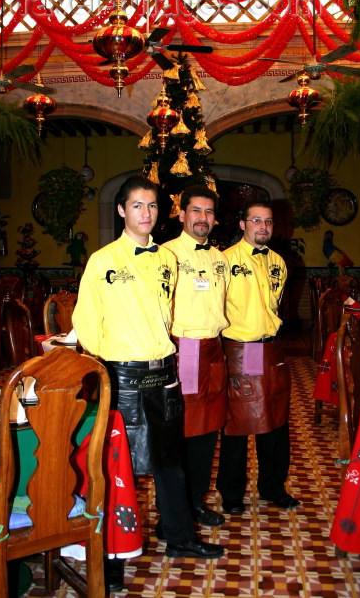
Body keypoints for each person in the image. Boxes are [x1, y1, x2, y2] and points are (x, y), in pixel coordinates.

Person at [73, 175, 224, 592]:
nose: (146, 213)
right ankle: (111, 558)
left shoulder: (165, 261)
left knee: (170, 462)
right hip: (122, 375)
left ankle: (179, 537)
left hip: (164, 371)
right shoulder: (103, 261)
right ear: (122, 211)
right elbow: (86, 324)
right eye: (137, 205)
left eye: (152, 206)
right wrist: (110, 365)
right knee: (116, 469)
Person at [216, 200, 299, 513]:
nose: (263, 227)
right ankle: (232, 493)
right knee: (239, 421)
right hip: (244, 349)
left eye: (268, 222)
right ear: (242, 224)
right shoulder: (225, 261)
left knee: (276, 419)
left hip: (273, 347)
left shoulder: (278, 261)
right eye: (256, 221)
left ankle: (273, 487)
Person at [164, 185, 229, 528]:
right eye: (196, 211)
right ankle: (176, 508)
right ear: (182, 214)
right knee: (183, 432)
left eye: (208, 212)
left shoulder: (219, 259)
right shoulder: (167, 255)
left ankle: (196, 501)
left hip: (214, 348)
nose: (203, 218)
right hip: (184, 348)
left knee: (208, 433)